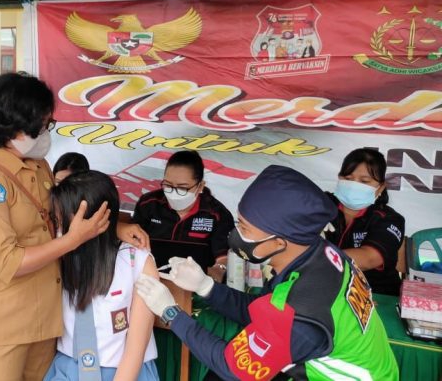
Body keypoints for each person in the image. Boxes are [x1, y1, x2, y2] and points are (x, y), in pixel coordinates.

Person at [0, 72, 148, 381]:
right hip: (3, 326)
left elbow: (66, 221)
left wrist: (114, 229)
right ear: (13, 126)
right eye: (43, 125)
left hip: (46, 321)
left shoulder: (39, 165)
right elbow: (7, 262)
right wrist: (72, 241)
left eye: (49, 124)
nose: (47, 132)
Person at [136, 165, 399, 381]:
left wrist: (171, 313)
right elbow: (263, 310)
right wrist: (206, 286)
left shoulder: (301, 312)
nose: (236, 235)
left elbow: (233, 368)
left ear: (278, 242)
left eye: (244, 228)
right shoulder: (318, 253)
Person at [44, 171, 159, 381]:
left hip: (124, 372)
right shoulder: (58, 254)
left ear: (96, 218)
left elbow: (135, 348)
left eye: (64, 221)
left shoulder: (137, 262)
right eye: (55, 220)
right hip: (68, 370)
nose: (58, 230)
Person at [132, 150, 233, 278]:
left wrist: (217, 271)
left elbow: (224, 259)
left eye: (182, 188)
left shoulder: (217, 215)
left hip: (196, 284)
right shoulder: (148, 204)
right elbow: (131, 244)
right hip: (149, 277)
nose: (173, 192)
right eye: (168, 185)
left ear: (200, 186)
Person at [326, 148, 405, 296]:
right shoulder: (319, 204)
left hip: (377, 295)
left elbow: (369, 258)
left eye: (364, 181)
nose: (354, 185)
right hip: (324, 290)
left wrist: (313, 259)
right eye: (348, 179)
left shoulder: (389, 219)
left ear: (380, 187)